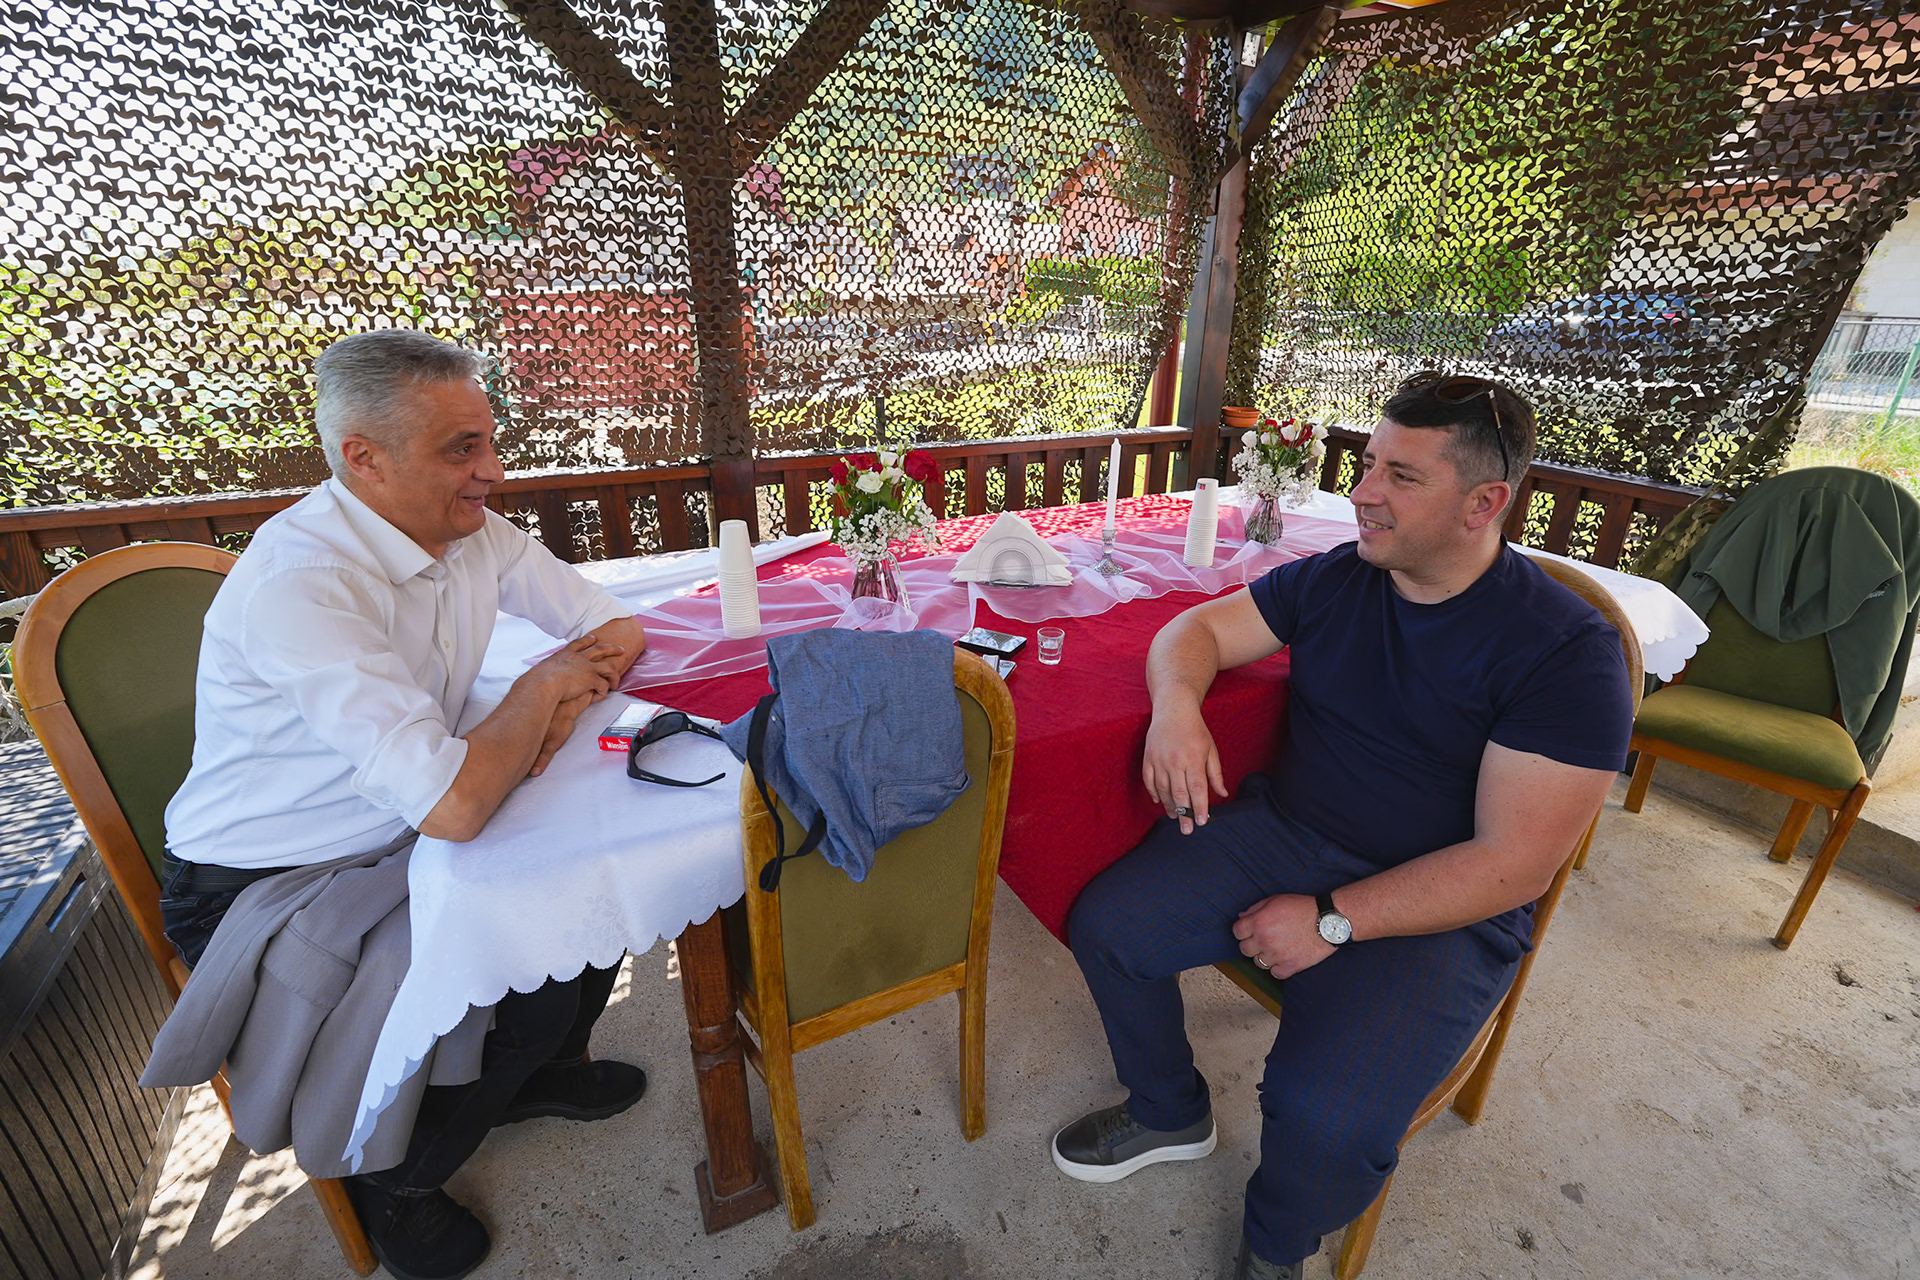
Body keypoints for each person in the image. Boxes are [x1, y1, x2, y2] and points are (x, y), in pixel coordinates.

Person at [1049, 373, 1634, 1280]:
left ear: (1484, 504)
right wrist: (1177, 710)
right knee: (1108, 926)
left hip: (1443, 903)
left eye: (1402, 476)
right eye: (1368, 465)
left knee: (1326, 1120)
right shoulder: (1345, 576)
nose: (1362, 492)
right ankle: (1169, 1110)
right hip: (1288, 833)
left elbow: (1514, 865)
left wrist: (1331, 919)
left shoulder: (1566, 653)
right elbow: (1194, 631)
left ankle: (1275, 1245)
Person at [153, 330, 650, 1280]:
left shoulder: (468, 530)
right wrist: (539, 694)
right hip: (267, 880)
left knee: (594, 890)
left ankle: (529, 1079)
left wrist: (543, 710)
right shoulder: (305, 583)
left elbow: (612, 624)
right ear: (364, 459)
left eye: (489, 441)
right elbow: (458, 807)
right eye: (463, 449)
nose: (492, 472)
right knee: (537, 973)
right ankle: (398, 1178)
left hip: (401, 824)